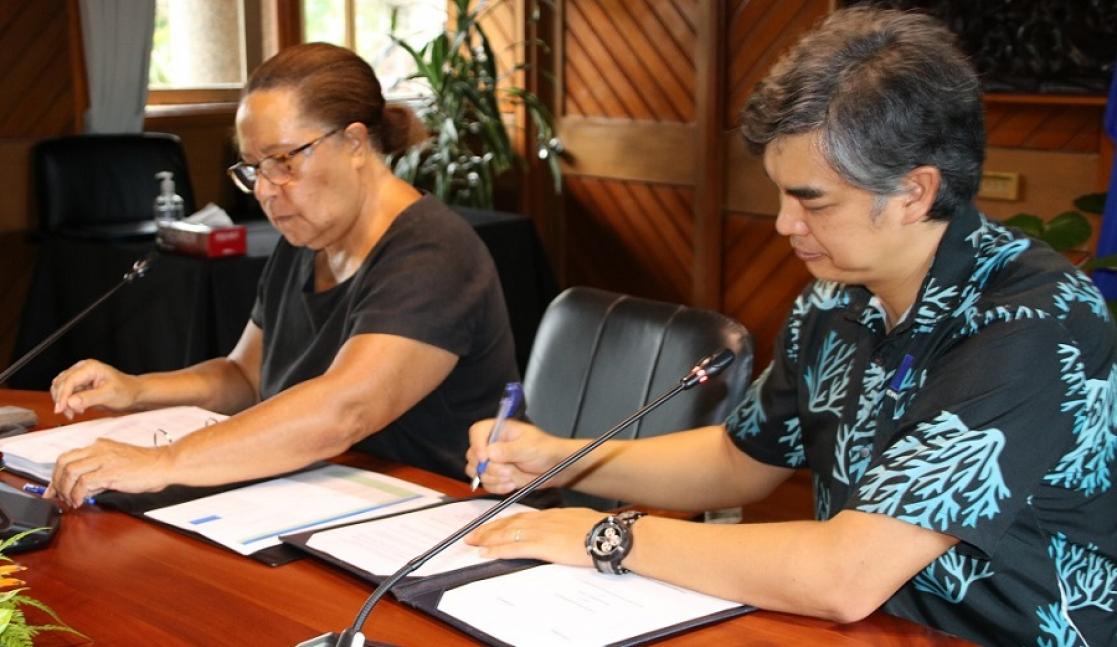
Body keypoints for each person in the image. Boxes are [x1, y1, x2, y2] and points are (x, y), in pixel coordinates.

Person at [463, 7, 1117, 646]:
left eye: (813, 201)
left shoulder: (1030, 320)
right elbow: (739, 460)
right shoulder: (836, 298)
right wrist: (560, 459)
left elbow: (844, 573)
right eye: (779, 193)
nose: (783, 224)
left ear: (914, 192)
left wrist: (604, 536)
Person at [48, 43, 518, 504]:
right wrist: (137, 390)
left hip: (435, 519)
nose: (266, 191)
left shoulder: (433, 253)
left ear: (354, 143)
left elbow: (344, 410)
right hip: (325, 498)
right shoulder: (308, 238)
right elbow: (244, 377)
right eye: (254, 168)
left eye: (284, 162)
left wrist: (163, 462)